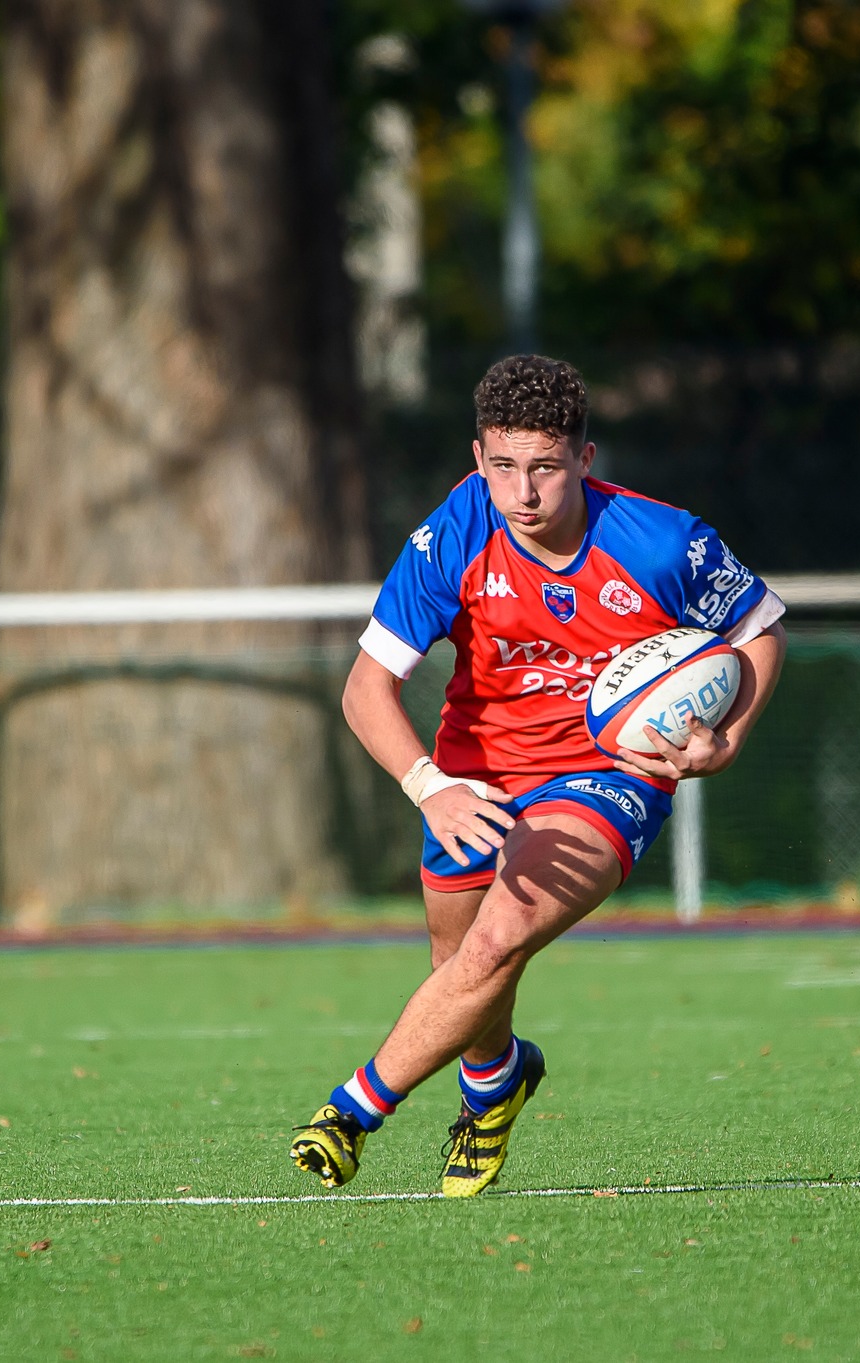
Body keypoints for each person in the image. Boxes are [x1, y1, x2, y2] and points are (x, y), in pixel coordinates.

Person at [289, 355, 787, 1196]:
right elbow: (365, 689)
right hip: (472, 774)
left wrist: (728, 737)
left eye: (546, 468)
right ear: (477, 457)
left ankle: (351, 1112)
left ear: (584, 460)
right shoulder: (454, 532)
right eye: (503, 466)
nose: (522, 492)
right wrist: (430, 786)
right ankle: (496, 1084)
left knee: (497, 939)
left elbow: (760, 628)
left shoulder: (662, 541)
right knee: (458, 964)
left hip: (607, 773)